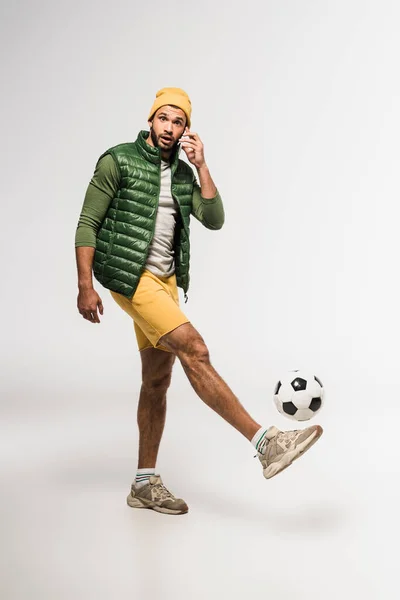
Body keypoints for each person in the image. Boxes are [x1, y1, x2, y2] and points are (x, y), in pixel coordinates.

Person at [75, 87, 323, 516]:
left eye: (179, 122)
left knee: (157, 381)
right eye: (164, 119)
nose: (170, 128)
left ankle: (144, 483)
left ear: (186, 128)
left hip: (166, 282)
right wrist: (85, 284)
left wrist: (202, 165)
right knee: (196, 349)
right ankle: (267, 443)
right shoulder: (118, 160)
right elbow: (87, 222)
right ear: (151, 120)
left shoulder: (187, 175)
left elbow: (214, 219)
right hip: (131, 278)